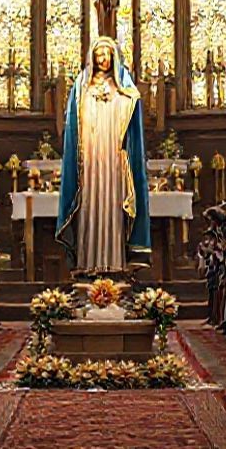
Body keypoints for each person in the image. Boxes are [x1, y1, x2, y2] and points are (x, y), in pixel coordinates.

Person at [57, 36, 151, 275]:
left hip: (113, 158)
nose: (102, 59)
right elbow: (75, 124)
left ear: (113, 57)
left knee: (112, 205)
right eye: (98, 55)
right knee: (90, 206)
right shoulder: (82, 87)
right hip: (90, 160)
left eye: (106, 55)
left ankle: (115, 263)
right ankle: (88, 263)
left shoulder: (123, 88)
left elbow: (130, 117)